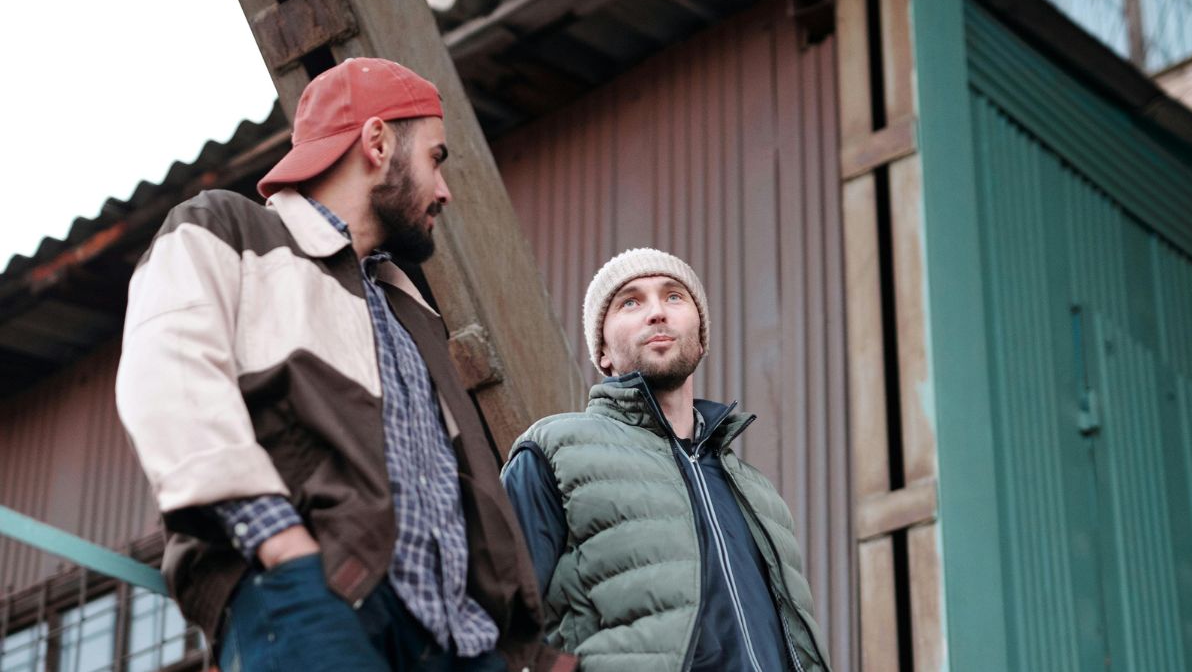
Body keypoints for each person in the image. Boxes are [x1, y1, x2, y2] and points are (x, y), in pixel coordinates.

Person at [116, 58, 574, 672]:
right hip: (315, 599)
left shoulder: (407, 304)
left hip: (453, 639)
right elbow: (167, 381)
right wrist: (283, 547)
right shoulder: (225, 229)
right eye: (436, 158)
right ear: (378, 143)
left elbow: (459, 484)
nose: (444, 190)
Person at [502, 248, 832, 672]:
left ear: (701, 337)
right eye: (630, 302)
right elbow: (498, 623)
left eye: (674, 296)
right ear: (602, 352)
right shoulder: (554, 452)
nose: (657, 312)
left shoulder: (759, 494)